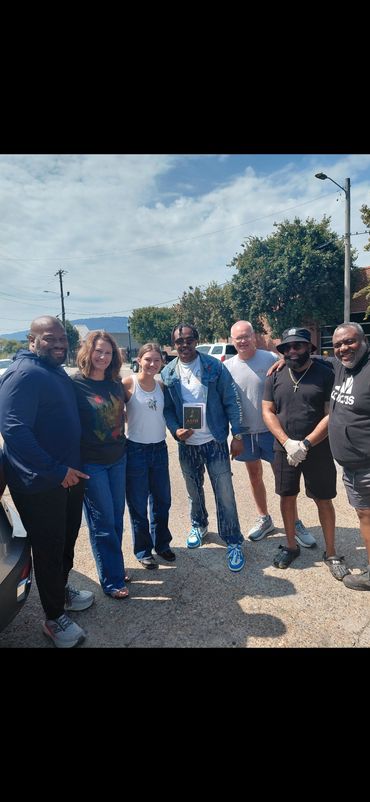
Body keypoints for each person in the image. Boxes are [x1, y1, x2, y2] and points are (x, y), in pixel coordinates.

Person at [0, 316, 92, 648]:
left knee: (66, 541)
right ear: (32, 340)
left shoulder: (52, 370)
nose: (59, 344)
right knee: (49, 549)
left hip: (67, 477)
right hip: (41, 483)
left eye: (62, 338)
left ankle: (61, 591)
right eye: (50, 338)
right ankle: (53, 618)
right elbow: (14, 430)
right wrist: (56, 471)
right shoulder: (23, 374)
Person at [262, 326, 349, 579]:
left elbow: (331, 413)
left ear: (309, 348)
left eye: (298, 345)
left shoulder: (326, 373)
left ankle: (331, 553)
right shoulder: (274, 375)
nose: (292, 351)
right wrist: (287, 442)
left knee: (323, 499)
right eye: (287, 347)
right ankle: (291, 546)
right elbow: (267, 411)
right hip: (284, 450)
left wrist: (306, 444)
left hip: (318, 449)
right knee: (287, 497)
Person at [161, 322, 246, 572]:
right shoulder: (168, 373)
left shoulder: (213, 366)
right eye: (179, 341)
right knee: (193, 491)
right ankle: (199, 525)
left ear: (196, 340)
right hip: (188, 444)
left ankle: (232, 540)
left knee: (225, 493)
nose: (184, 344)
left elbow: (231, 400)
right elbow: (167, 409)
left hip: (215, 440)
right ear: (174, 344)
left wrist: (237, 434)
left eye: (189, 340)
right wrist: (175, 430)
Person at [226, 320, 315, 548]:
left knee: (285, 480)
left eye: (246, 336)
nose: (243, 341)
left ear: (254, 336)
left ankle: (294, 522)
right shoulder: (228, 366)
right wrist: (235, 435)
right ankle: (264, 518)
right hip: (246, 433)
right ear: (232, 341)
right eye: (238, 338)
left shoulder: (270, 358)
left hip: (272, 431)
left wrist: (284, 359)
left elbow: (292, 367)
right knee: (254, 476)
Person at [73, 331, 129, 599]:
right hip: (91, 464)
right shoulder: (75, 384)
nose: (103, 357)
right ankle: (112, 580)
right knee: (102, 522)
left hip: (118, 459)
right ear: (88, 352)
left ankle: (115, 566)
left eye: (108, 352)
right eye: (98, 351)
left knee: (117, 519)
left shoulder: (115, 382)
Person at [123, 343, 175, 569]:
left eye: (156, 360)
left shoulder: (161, 386)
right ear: (139, 360)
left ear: (162, 362)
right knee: (138, 504)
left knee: (162, 501)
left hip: (159, 449)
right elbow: (114, 410)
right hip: (136, 450)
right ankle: (143, 550)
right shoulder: (128, 384)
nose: (152, 364)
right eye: (148, 359)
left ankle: (162, 544)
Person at [328, 322, 370, 591]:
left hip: (366, 465)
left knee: (367, 516)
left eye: (349, 341)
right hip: (352, 466)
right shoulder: (340, 366)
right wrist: (283, 361)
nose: (343, 348)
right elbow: (312, 360)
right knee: (364, 514)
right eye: (338, 345)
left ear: (364, 341)